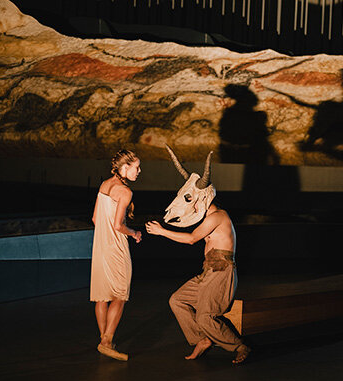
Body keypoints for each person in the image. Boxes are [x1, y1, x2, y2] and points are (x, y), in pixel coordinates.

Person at [145, 147, 250, 365]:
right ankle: (202, 339)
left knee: (204, 316)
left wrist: (162, 232)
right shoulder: (209, 218)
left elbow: (192, 239)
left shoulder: (218, 217)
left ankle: (239, 346)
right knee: (177, 300)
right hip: (208, 271)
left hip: (221, 271)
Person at [90, 149, 142, 361]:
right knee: (120, 295)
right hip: (116, 247)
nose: (139, 171)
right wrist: (134, 233)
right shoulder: (125, 191)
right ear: (125, 167)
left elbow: (95, 219)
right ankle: (107, 342)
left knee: (102, 296)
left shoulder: (104, 185)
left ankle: (104, 340)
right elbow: (118, 225)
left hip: (100, 246)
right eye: (136, 167)